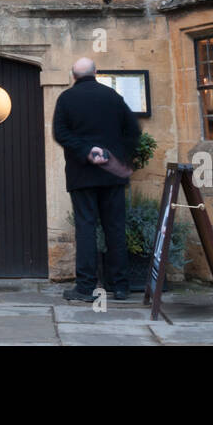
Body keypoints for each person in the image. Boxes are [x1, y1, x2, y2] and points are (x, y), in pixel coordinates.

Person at [52, 57, 140, 302]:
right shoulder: (112, 97)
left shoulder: (67, 99)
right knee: (115, 228)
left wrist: (87, 151)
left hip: (83, 174)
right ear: (96, 73)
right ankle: (121, 287)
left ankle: (86, 287)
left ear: (73, 76)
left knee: (86, 228)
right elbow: (133, 131)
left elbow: (61, 133)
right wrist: (119, 157)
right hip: (112, 173)